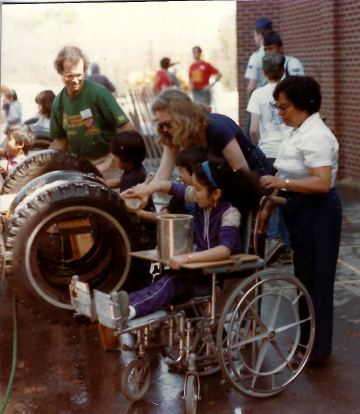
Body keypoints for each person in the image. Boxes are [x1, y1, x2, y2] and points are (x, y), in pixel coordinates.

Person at [115, 155, 262, 322]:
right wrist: (149, 189)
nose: (193, 192)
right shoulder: (203, 200)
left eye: (197, 189)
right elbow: (170, 187)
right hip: (201, 269)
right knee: (159, 279)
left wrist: (187, 257)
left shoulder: (229, 213)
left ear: (216, 193)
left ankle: (132, 310)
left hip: (219, 275)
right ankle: (125, 303)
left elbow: (224, 249)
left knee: (171, 282)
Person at [259, 76, 342, 365]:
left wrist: (283, 182)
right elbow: (284, 173)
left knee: (316, 281)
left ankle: (316, 351)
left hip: (317, 210)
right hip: (297, 207)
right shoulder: (295, 130)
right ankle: (307, 343)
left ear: (303, 105)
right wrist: (269, 206)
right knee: (303, 279)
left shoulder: (316, 135)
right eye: (277, 107)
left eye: (284, 108)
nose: (279, 113)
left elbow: (320, 183)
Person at [122, 89, 269, 207]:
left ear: (183, 118)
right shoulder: (173, 133)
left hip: (252, 171)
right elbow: (162, 173)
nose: (165, 129)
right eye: (161, 124)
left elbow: (241, 171)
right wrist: (142, 191)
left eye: (168, 124)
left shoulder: (218, 127)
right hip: (225, 175)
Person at [49, 46, 133, 177]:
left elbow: (127, 128)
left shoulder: (99, 93)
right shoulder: (58, 103)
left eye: (79, 75)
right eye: (70, 76)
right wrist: (40, 163)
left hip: (111, 163)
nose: (75, 80)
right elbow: (61, 140)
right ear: (61, 73)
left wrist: (111, 158)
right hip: (82, 164)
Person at [247, 53, 292, 265]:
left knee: (268, 197)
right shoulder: (290, 90)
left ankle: (274, 240)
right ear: (283, 70)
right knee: (284, 197)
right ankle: (287, 246)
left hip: (267, 150)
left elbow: (254, 128)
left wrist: (257, 145)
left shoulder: (258, 94)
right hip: (289, 149)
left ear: (263, 72)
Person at [245, 18, 273, 100]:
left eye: (255, 35)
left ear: (260, 35)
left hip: (262, 100)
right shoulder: (278, 53)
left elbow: (252, 87)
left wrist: (252, 102)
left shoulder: (256, 56)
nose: (254, 38)